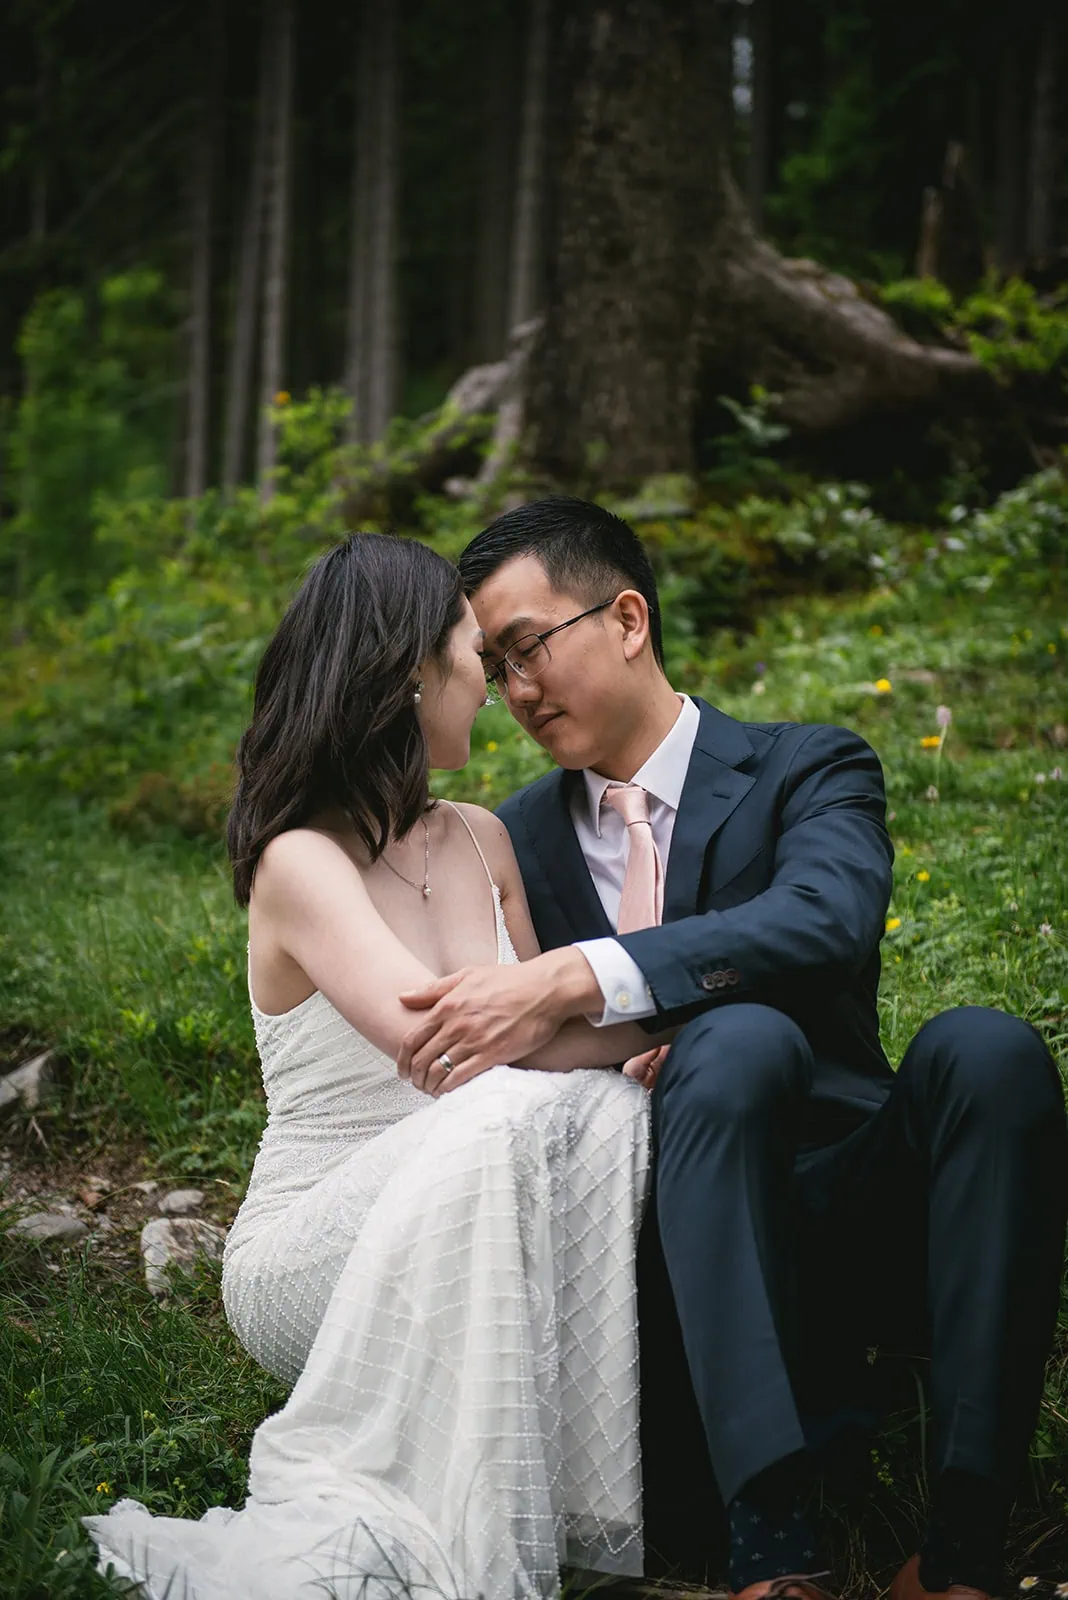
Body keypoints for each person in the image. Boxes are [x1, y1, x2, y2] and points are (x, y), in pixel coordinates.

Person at [397, 496, 1068, 1600]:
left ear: (626, 618)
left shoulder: (809, 768)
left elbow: (826, 917)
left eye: (530, 649)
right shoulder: (505, 838)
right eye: (494, 664)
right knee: (741, 1039)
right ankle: (772, 1550)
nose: (515, 691)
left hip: (853, 1206)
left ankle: (962, 1548)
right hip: (658, 1251)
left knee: (988, 1051)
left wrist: (581, 974)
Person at [83, 532, 672, 1600]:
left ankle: (572, 1508)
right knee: (509, 1110)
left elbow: (547, 1033)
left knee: (602, 1110)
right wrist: (629, 1016)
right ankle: (460, 1546)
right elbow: (444, 1046)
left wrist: (656, 1030)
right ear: (409, 673)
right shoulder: (301, 860)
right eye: (473, 658)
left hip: (467, 1194)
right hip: (315, 1246)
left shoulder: (485, 840)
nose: (494, 691)